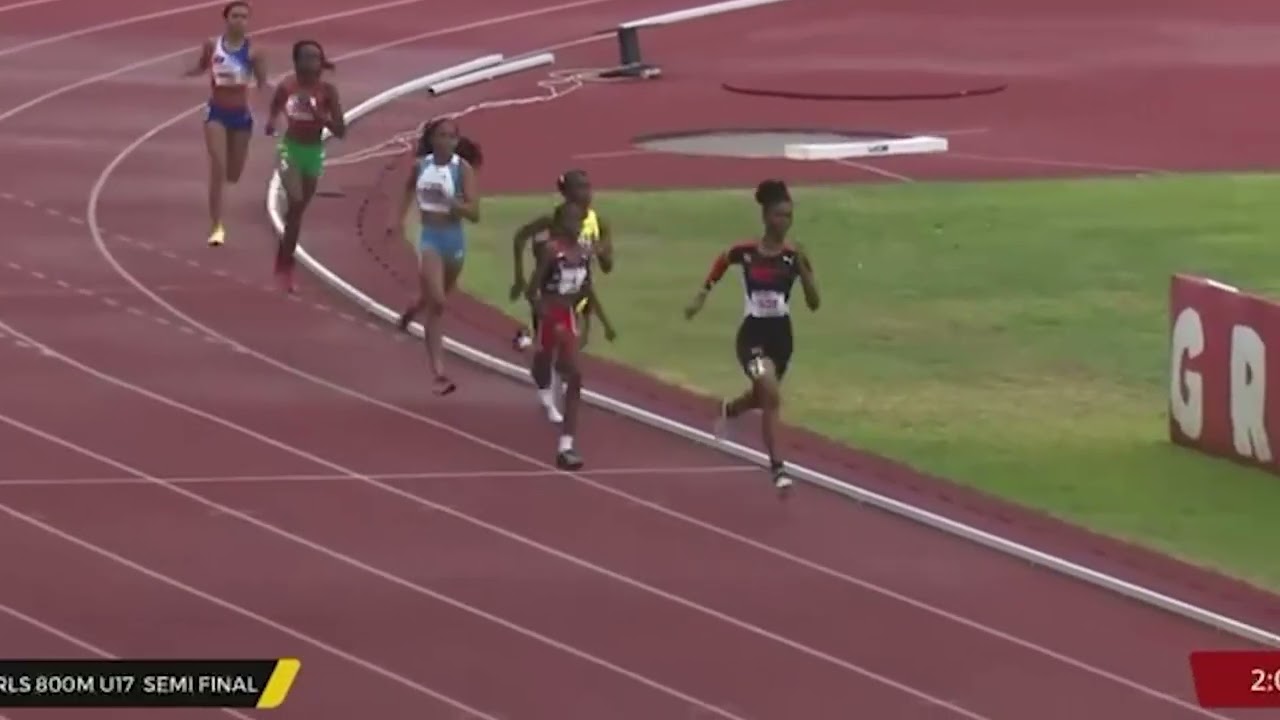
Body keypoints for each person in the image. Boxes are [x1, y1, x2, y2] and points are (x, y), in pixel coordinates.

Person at [684, 179, 819, 493]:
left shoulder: (794, 256)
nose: (784, 222)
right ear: (765, 216)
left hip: (781, 337)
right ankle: (778, 468)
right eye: (779, 215)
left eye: (789, 216)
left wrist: (804, 268)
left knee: (763, 395)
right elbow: (722, 261)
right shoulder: (745, 252)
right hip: (752, 336)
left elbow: (814, 303)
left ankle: (730, 410)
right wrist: (702, 294)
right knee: (770, 391)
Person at [394, 118, 483, 396]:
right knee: (438, 304)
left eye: (451, 137)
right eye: (441, 136)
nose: (446, 141)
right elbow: (408, 188)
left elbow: (474, 214)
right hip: (430, 238)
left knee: (434, 297)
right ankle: (439, 373)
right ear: (432, 139)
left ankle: (412, 309)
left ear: (457, 141)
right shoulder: (421, 166)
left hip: (453, 241)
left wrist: (453, 203)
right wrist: (398, 219)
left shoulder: (462, 169)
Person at [526, 202, 617, 469]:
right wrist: (543, 313)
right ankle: (530, 352)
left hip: (567, 316)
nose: (576, 226)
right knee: (544, 362)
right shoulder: (551, 252)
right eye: (571, 221)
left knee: (575, 374)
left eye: (579, 222)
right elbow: (532, 291)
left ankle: (566, 445)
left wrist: (597, 319)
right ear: (560, 224)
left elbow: (587, 288)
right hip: (550, 314)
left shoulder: (584, 254)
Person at [183, 0, 266, 247]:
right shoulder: (212, 45)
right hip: (216, 114)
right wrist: (185, 73)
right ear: (226, 19)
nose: (239, 21)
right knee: (218, 169)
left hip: (241, 117)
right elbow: (202, 66)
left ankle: (218, 218)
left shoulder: (254, 51)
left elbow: (263, 83)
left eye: (244, 17)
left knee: (233, 174)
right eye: (235, 16)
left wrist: (277, 110)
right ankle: (216, 226)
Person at [264, 40, 344, 293]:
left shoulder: (328, 91)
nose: (310, 62)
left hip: (313, 153)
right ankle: (284, 266)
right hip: (290, 149)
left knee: (296, 214)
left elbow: (341, 131)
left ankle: (284, 263)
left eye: (315, 58)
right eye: (306, 57)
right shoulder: (287, 87)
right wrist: (271, 122)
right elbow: (275, 106)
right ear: (296, 61)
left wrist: (322, 118)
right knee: (296, 201)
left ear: (321, 63)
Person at [509, 169, 614, 351]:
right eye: (580, 188)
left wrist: (601, 251)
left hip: (580, 295)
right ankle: (529, 338)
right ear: (566, 193)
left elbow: (607, 267)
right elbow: (520, 237)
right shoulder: (554, 221)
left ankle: (529, 338)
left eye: (588, 187)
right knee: (553, 347)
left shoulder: (598, 224)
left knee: (572, 349)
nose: (587, 193)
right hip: (552, 293)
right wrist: (519, 277)